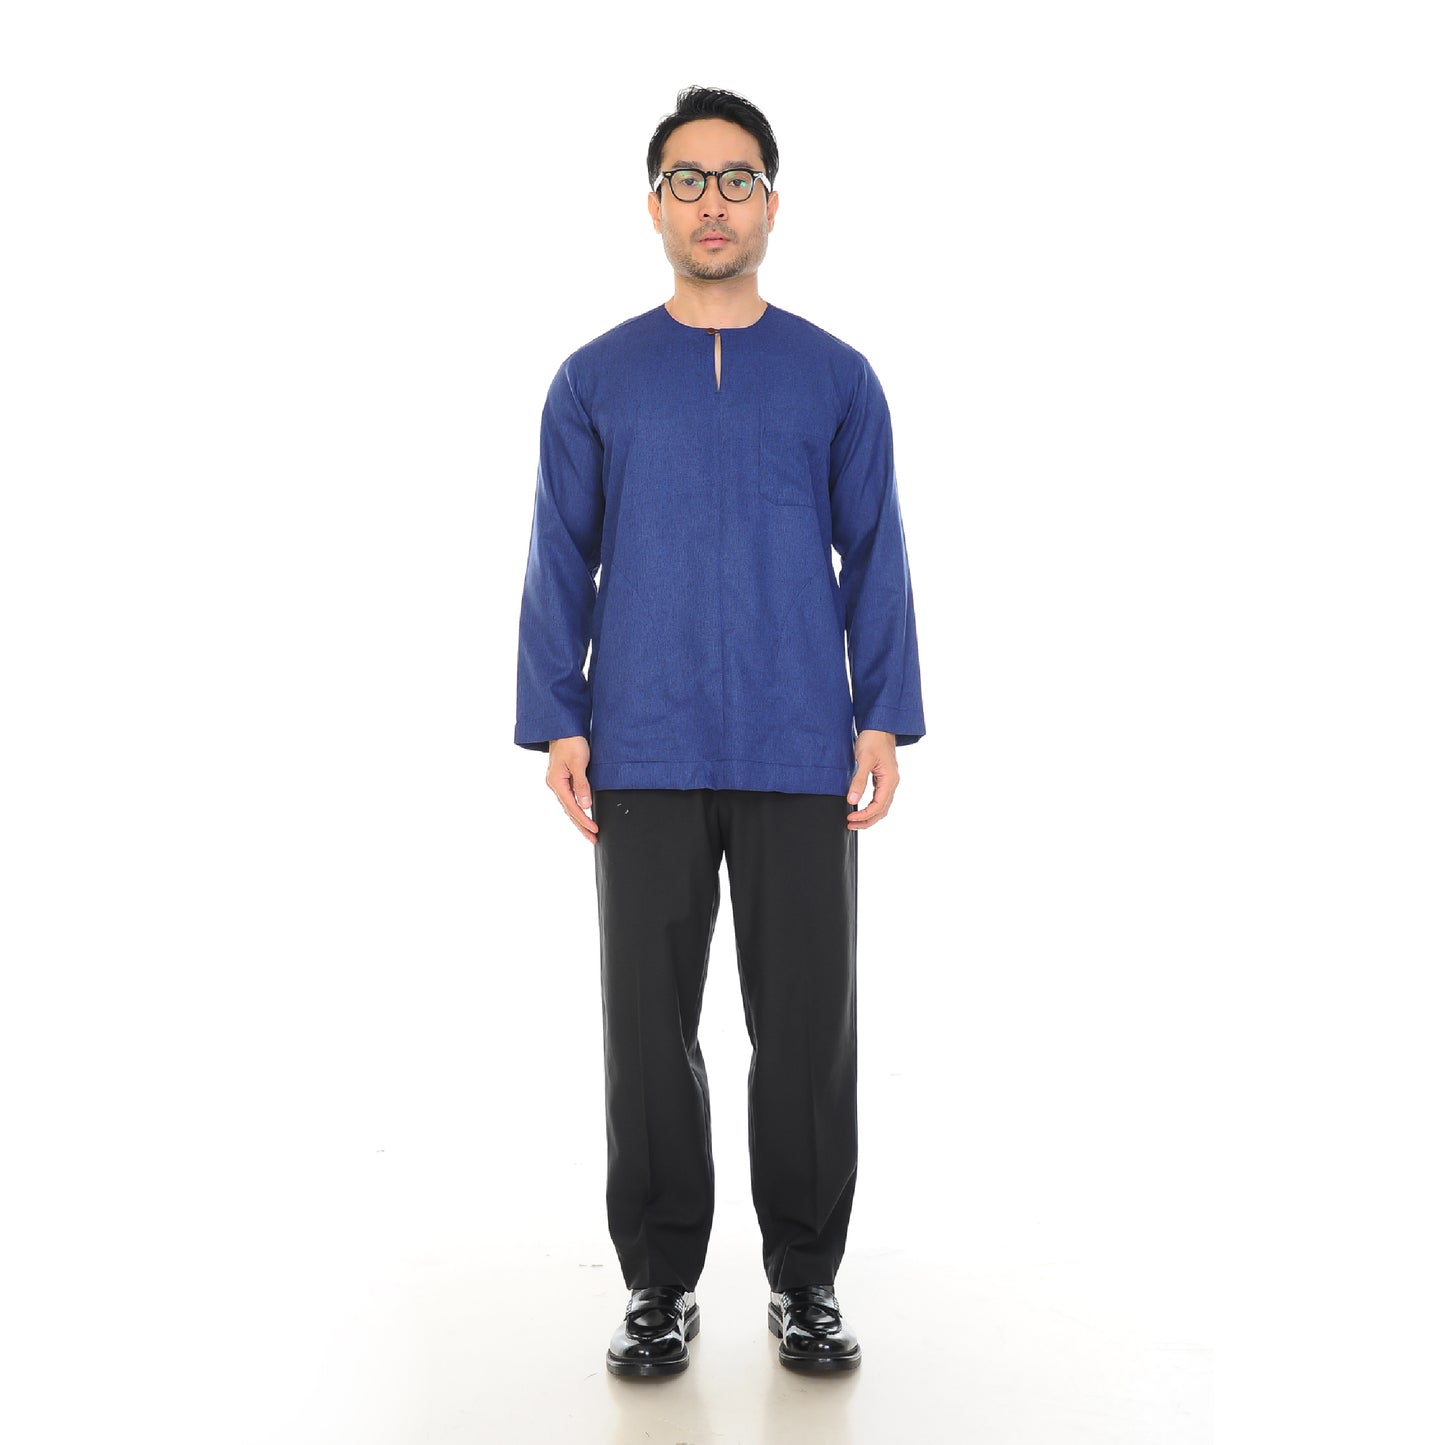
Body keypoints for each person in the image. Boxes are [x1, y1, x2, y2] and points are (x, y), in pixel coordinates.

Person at [513, 85, 926, 1377]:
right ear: (654, 205)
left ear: (771, 205)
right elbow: (559, 557)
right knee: (647, 1028)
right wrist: (558, 718)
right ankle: (659, 1284)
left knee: (804, 1029)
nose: (712, 202)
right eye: (687, 180)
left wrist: (881, 714)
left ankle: (805, 1280)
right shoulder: (594, 379)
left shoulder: (836, 377)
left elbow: (876, 552)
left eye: (735, 179)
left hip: (803, 744)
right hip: (640, 740)